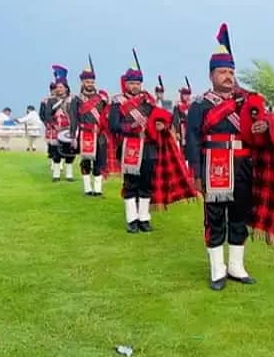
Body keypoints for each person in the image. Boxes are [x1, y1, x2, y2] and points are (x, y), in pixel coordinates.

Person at [186, 23, 274, 291]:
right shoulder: (200, 105)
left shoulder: (247, 103)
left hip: (243, 166)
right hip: (214, 165)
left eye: (230, 72)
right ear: (211, 75)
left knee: (239, 215)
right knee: (215, 217)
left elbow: (263, 125)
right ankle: (218, 269)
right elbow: (191, 139)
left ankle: (236, 267)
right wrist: (195, 173)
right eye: (222, 72)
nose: (228, 76)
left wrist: (265, 127)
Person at [110, 65, 197, 233]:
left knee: (146, 183)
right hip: (130, 146)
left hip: (149, 147)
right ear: (125, 84)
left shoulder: (148, 100)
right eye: (132, 83)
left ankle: (144, 218)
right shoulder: (117, 102)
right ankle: (131, 219)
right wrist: (131, 126)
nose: (135, 86)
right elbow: (114, 125)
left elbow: (161, 118)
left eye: (137, 83)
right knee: (130, 184)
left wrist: (161, 125)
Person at [70, 67, 107, 196]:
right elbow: (73, 118)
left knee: (100, 161)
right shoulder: (76, 99)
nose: (90, 84)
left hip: (99, 134)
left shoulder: (101, 98)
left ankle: (97, 189)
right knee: (85, 162)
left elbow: (106, 116)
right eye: (87, 82)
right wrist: (73, 137)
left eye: (92, 82)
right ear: (82, 82)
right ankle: (87, 189)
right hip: (84, 133)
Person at [43, 65, 77, 182]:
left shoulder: (73, 99)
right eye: (57, 87)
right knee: (56, 154)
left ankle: (69, 175)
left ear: (66, 88)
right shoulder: (51, 100)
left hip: (69, 130)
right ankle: (56, 175)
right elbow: (47, 115)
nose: (59, 89)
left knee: (70, 154)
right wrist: (53, 124)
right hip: (56, 130)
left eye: (61, 87)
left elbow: (76, 114)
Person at [172, 85, 192, 164]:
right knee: (182, 147)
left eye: (188, 95)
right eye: (185, 95)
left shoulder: (192, 106)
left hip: (190, 129)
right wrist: (176, 131)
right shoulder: (178, 106)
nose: (186, 97)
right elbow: (175, 119)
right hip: (182, 128)